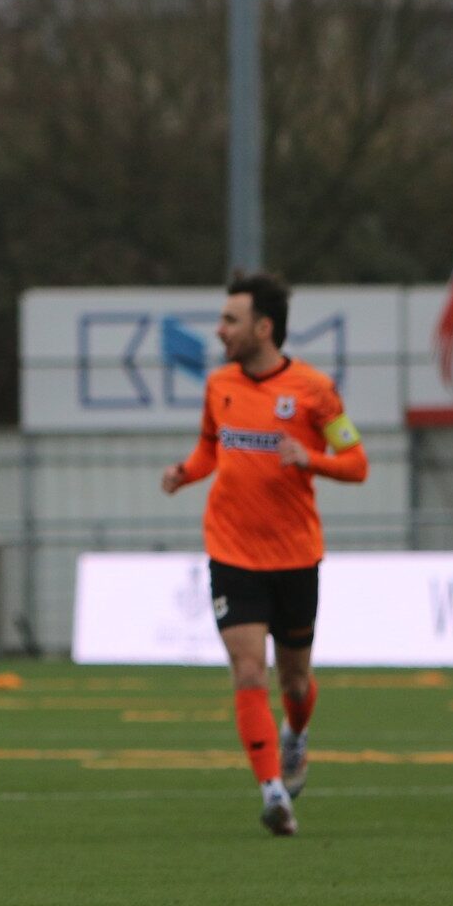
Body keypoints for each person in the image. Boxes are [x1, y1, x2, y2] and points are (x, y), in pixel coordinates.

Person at [160, 271, 368, 837]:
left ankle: (295, 732)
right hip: (232, 551)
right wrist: (185, 473)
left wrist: (311, 459)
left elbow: (357, 463)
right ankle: (273, 791)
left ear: (263, 327)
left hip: (295, 556)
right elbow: (210, 449)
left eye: (231, 319)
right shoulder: (219, 385)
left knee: (295, 682)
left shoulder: (315, 391)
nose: (219, 329)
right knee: (248, 668)